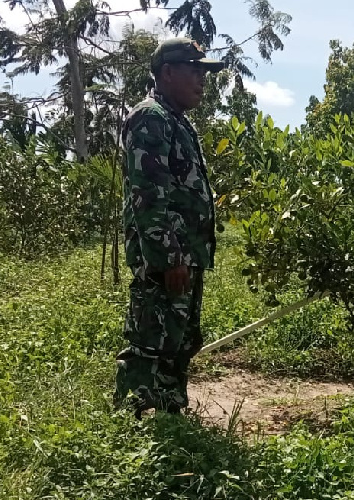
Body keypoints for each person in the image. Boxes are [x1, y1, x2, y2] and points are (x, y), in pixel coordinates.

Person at [113, 37, 225, 419]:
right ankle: (132, 423)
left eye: (203, 72)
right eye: (194, 70)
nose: (201, 80)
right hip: (165, 260)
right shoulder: (151, 118)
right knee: (150, 342)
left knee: (179, 341)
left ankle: (169, 415)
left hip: (185, 257)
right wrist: (170, 256)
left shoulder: (176, 121)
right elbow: (149, 196)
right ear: (167, 73)